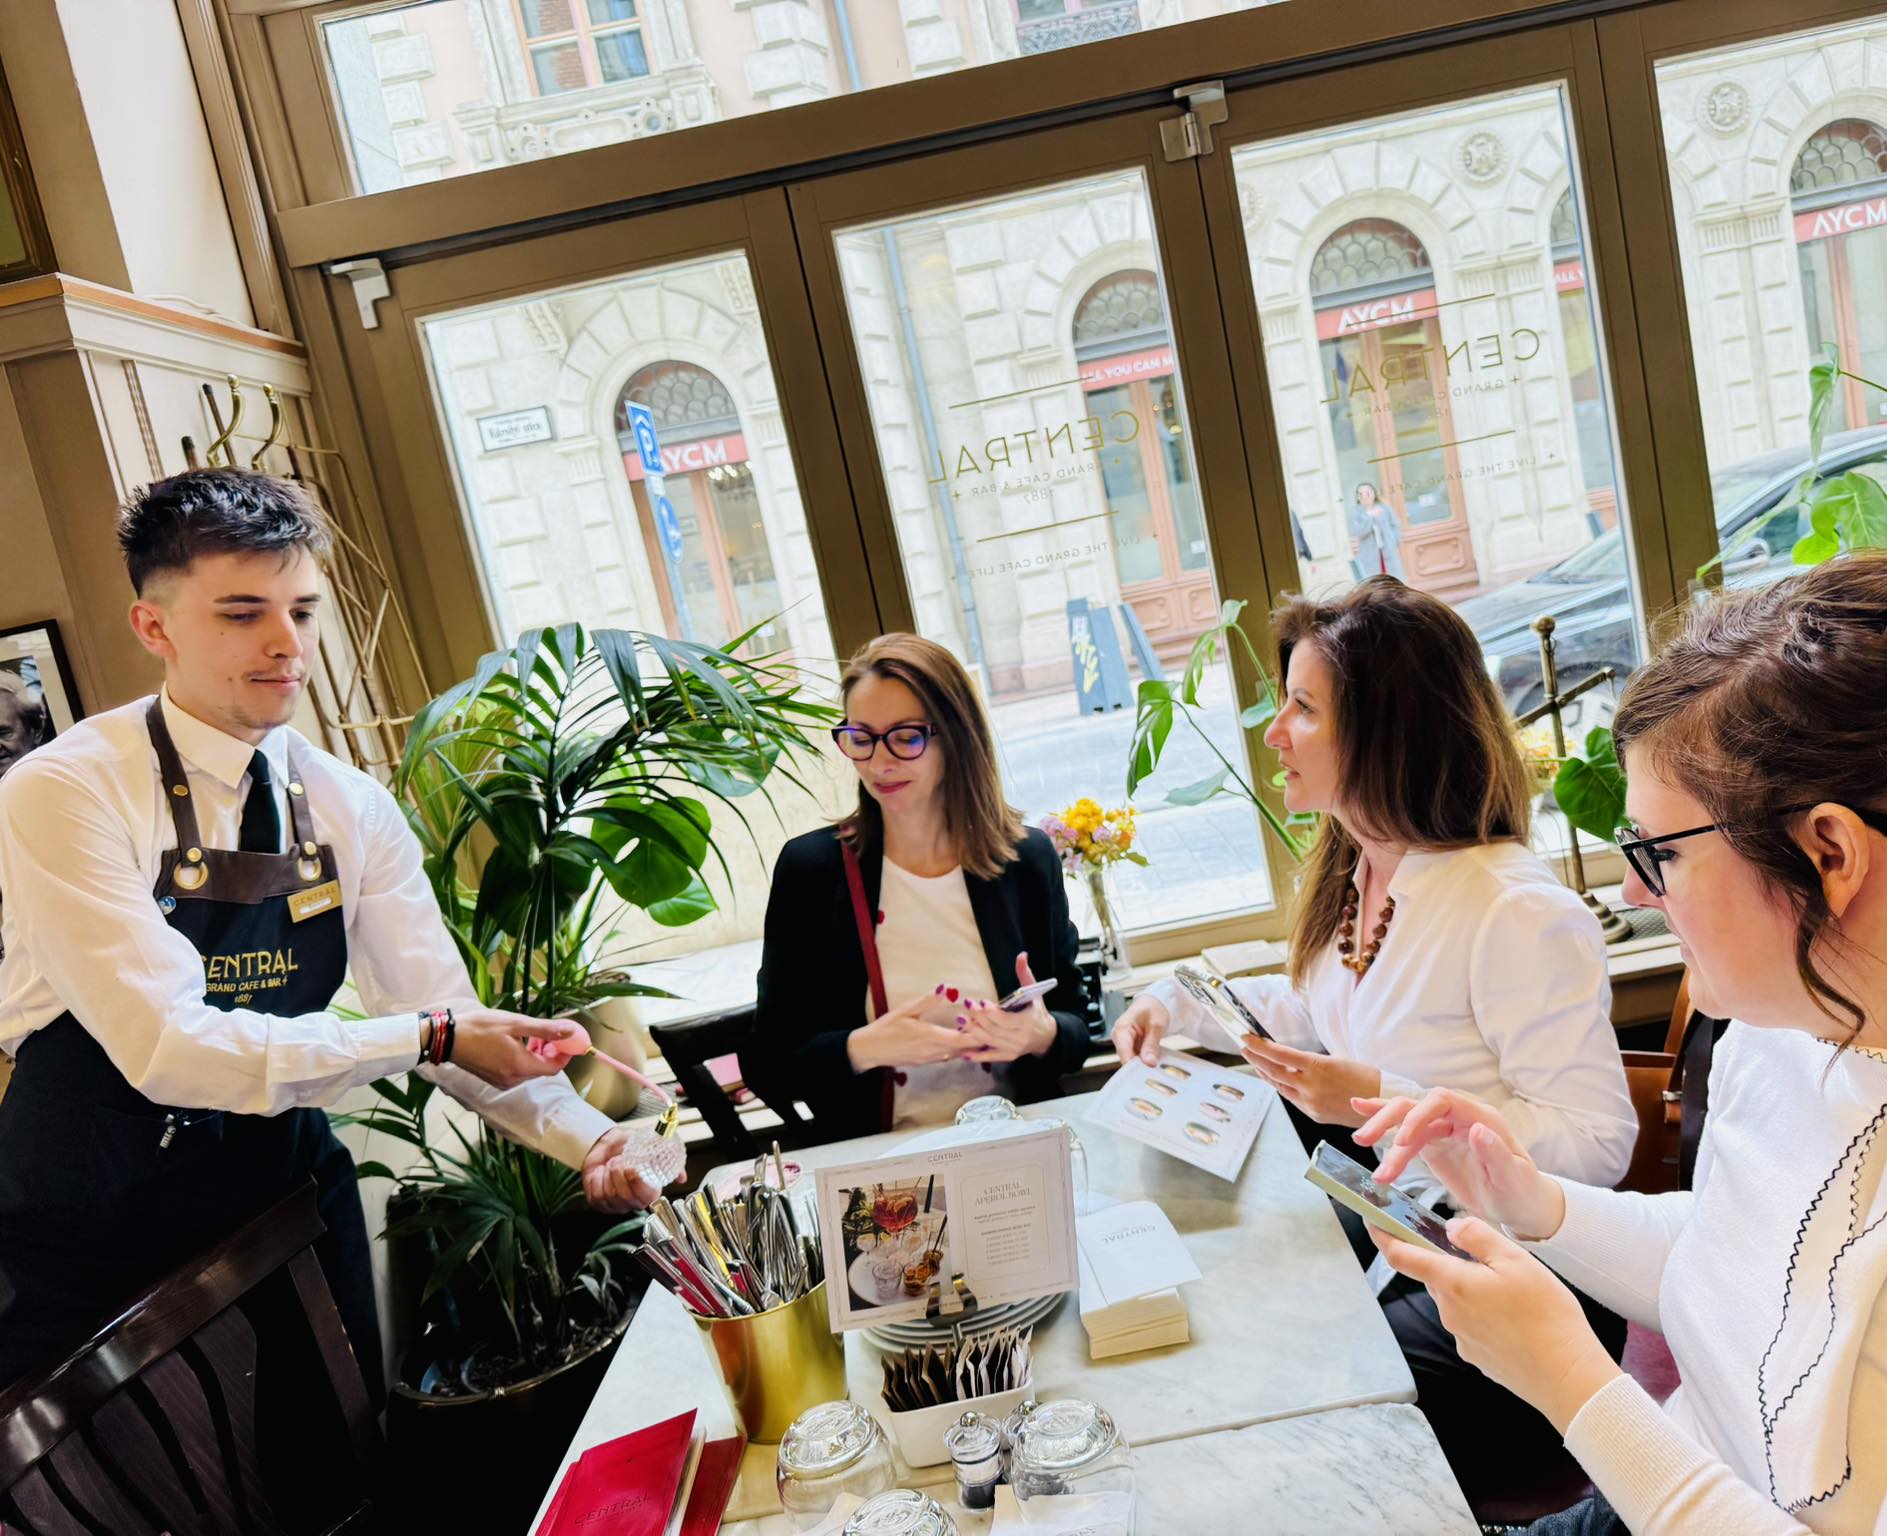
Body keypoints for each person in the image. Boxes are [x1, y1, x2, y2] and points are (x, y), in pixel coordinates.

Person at [1355, 551, 1887, 1535]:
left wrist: (1568, 1381)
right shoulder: (1785, 1023)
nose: (1635, 893)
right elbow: (1733, 1254)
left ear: (1829, 853)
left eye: (1660, 853)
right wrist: (1532, 1202)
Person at [0, 469, 659, 1406]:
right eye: (242, 614)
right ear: (154, 627)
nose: (288, 644)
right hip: (97, 1227)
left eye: (303, 611)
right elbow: (169, 1047)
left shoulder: (349, 803)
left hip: (281, 1195)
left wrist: (591, 1140)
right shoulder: (65, 791)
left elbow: (443, 1014)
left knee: (342, 1460)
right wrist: (428, 1036)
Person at [1112, 575, 1634, 1497]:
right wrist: (1173, 1002)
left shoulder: (1514, 910)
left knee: (1307, 1415)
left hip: (1524, 1286)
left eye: (1303, 709)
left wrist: (1382, 1101)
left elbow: (1598, 1148)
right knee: (1232, 1326)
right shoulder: (1363, 873)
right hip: (1413, 1233)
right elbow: (1315, 1010)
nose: (1274, 734)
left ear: (1389, 731)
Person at [744, 634, 1091, 1139]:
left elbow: (1077, 1029)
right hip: (880, 1162)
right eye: (861, 738)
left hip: (1016, 1147)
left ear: (956, 738)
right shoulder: (812, 871)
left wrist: (1042, 1033)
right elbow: (766, 1065)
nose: (878, 763)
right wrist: (863, 1048)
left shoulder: (1026, 859)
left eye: (905, 738)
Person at [1347, 481, 1406, 584]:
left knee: (1393, 581)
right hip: (1368, 554)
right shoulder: (1355, 513)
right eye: (1361, 494)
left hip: (1388, 551)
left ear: (1374, 493)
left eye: (1368, 492)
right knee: (1375, 583)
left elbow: (1395, 525)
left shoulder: (1385, 508)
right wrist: (1369, 517)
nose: (1365, 496)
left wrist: (1393, 540)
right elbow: (1355, 532)